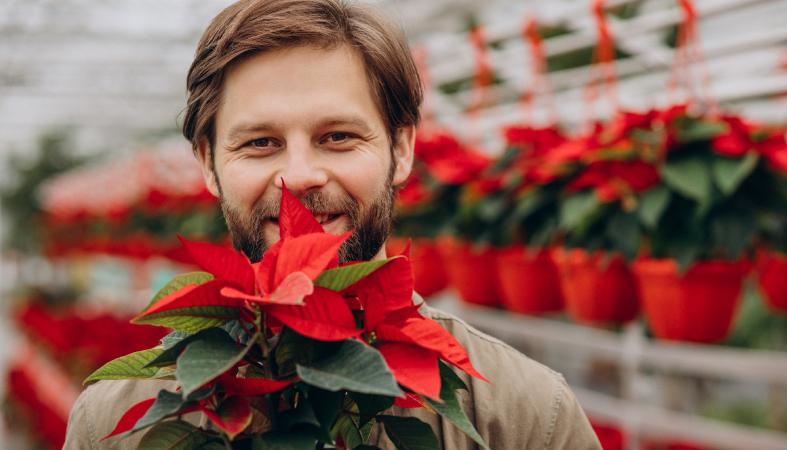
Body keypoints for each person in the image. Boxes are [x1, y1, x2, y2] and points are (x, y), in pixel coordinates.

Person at [63, 1, 602, 448]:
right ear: (207, 163)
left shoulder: (527, 418)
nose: (299, 177)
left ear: (402, 148)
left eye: (338, 136)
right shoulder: (112, 424)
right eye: (260, 142)